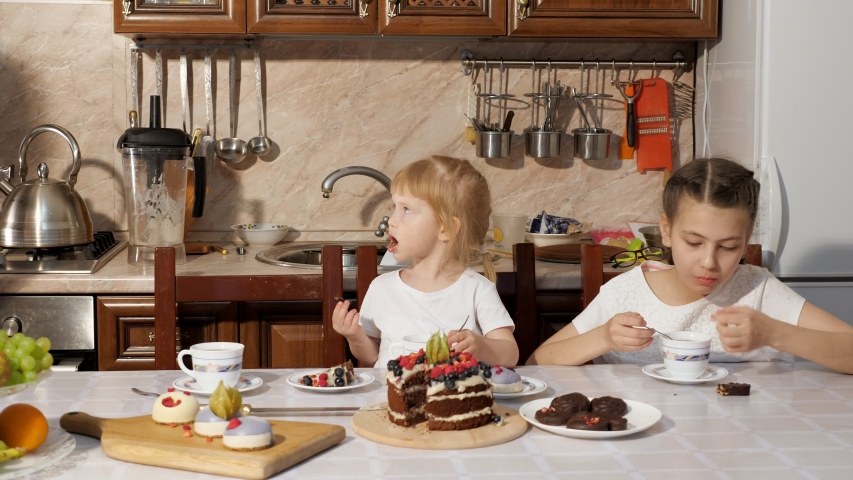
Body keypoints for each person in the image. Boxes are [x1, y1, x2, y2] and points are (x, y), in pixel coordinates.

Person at [528, 157, 853, 373]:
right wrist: (603, 338)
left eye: (728, 247)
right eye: (694, 243)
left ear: (746, 239)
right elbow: (537, 363)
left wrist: (775, 333)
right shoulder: (625, 294)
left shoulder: (759, 290)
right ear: (666, 230)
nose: (709, 262)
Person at [331, 156, 520, 369]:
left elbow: (510, 353)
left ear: (446, 228)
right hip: (390, 391)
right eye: (394, 207)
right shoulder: (381, 288)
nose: (392, 220)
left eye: (406, 209)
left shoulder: (476, 289)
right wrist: (355, 336)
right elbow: (372, 357)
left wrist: (481, 346)